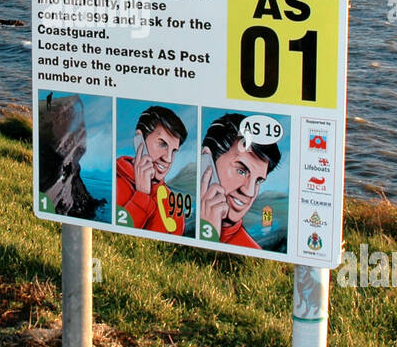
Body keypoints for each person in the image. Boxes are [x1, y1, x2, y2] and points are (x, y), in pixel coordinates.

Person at [199, 114, 281, 249]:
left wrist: (208, 233)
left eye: (258, 181)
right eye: (241, 171)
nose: (249, 192)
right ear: (207, 160)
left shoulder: (252, 253)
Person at [114, 106, 189, 235]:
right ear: (140, 140)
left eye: (174, 151)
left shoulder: (174, 206)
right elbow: (116, 237)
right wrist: (142, 195)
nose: (168, 159)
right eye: (162, 144)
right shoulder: (113, 182)